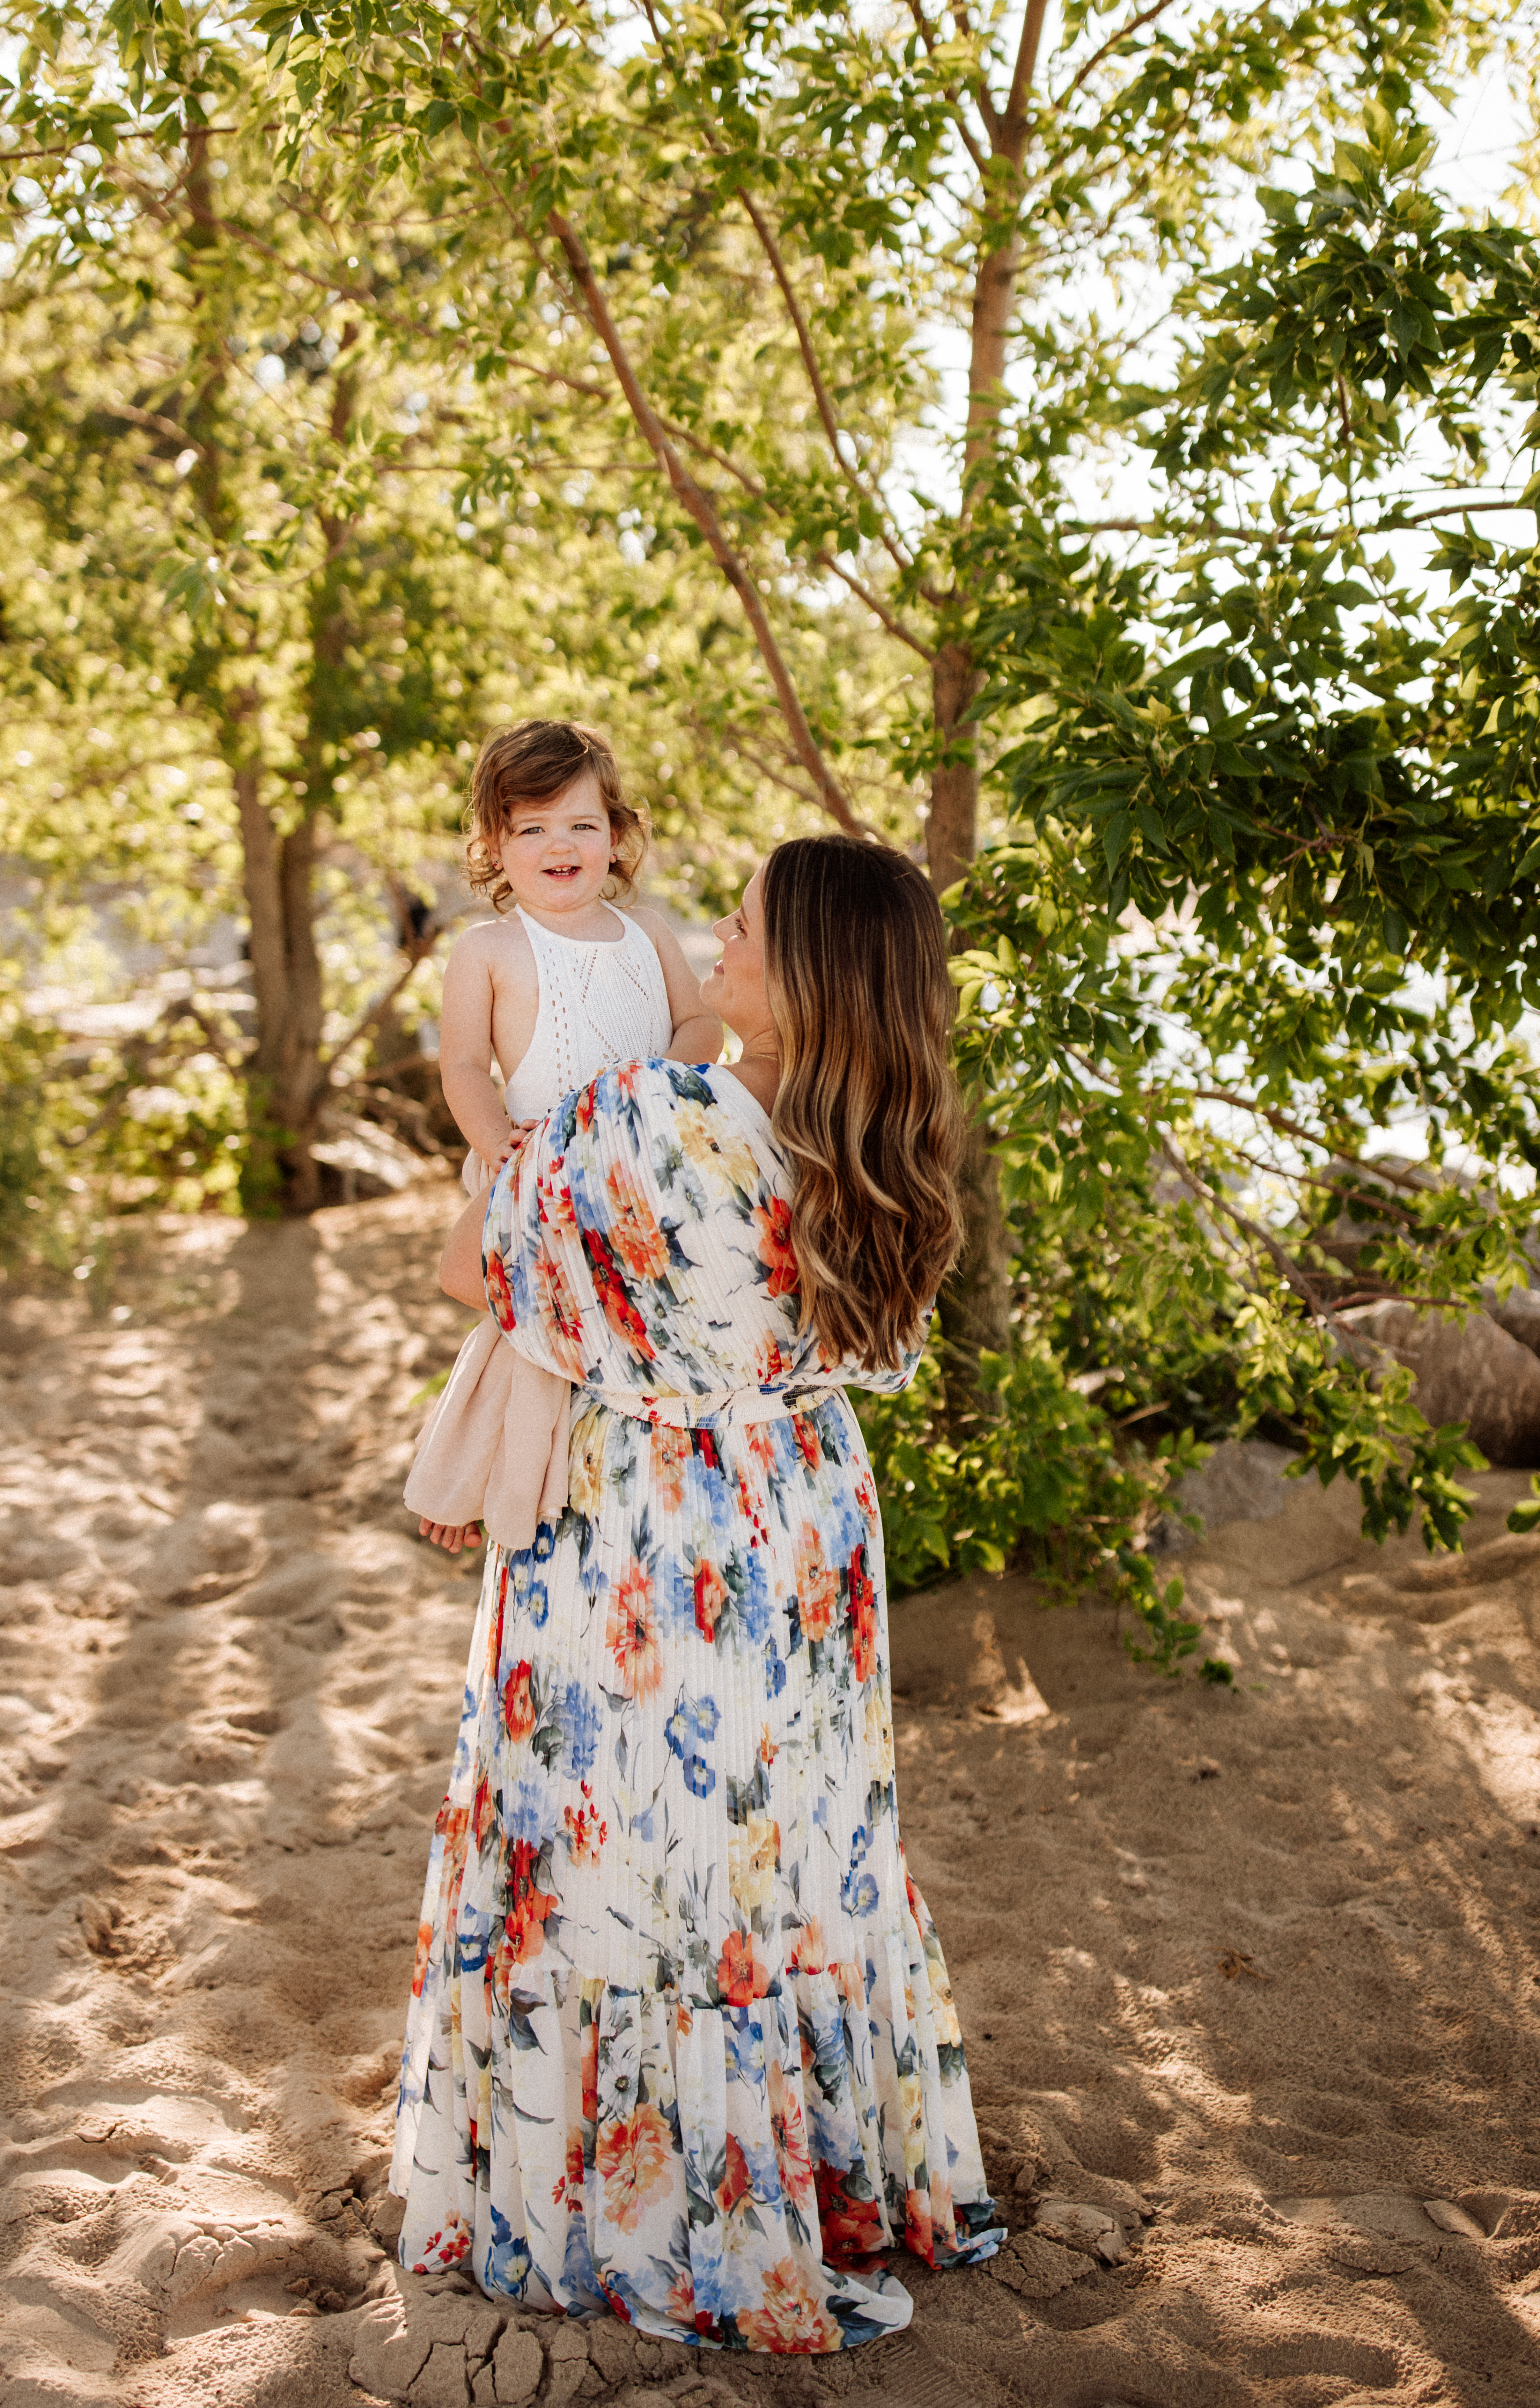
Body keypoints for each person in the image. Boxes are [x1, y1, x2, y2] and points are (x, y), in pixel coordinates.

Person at [390, 837, 1003, 2352]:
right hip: (799, 1516)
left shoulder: (645, 1118)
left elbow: (475, 1268)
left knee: (622, 1848)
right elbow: (873, 1352)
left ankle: (631, 2196)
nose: (704, 941)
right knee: (785, 1840)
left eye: (735, 924)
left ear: (793, 976)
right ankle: (825, 2165)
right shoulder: (890, 1153)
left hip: (642, 1523)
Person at [407, 719, 722, 1556]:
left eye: (583, 824)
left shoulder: (647, 930)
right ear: (495, 845)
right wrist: (499, 1140)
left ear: (617, 836)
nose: (562, 844)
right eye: (533, 827)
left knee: (613, 1319)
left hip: (642, 1152)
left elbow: (698, 1022)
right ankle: (470, 1481)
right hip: (540, 1160)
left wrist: (660, 1093)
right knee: (527, 1331)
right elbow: (467, 1066)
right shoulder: (491, 949)